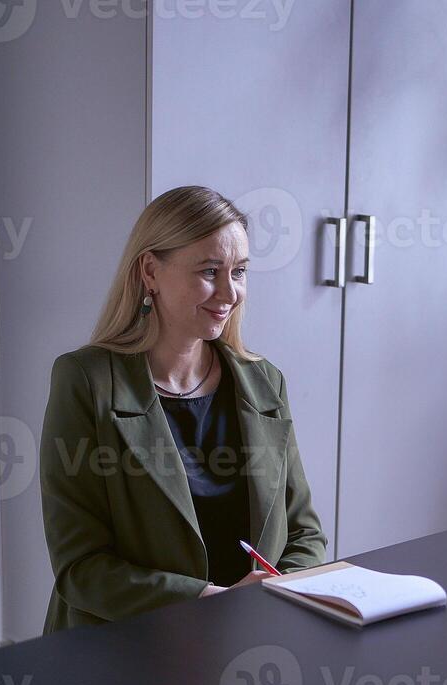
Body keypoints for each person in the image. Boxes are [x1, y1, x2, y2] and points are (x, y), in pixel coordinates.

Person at [41, 185, 326, 630]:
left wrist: (270, 595)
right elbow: (81, 569)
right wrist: (208, 601)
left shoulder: (264, 381)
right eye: (210, 271)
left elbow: (305, 533)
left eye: (240, 272)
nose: (230, 293)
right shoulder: (85, 380)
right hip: (126, 653)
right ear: (150, 271)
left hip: (249, 643)